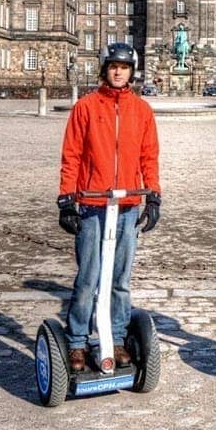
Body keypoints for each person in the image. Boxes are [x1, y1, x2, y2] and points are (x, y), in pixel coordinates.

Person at [56, 42, 161, 372]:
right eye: (113, 66)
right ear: (105, 70)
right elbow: (71, 155)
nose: (118, 71)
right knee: (88, 278)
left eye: (124, 67)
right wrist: (66, 198)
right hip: (91, 203)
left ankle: (115, 337)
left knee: (120, 279)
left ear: (132, 72)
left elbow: (149, 156)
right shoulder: (85, 107)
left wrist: (153, 195)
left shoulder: (142, 110)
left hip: (127, 204)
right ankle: (76, 341)